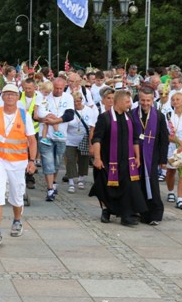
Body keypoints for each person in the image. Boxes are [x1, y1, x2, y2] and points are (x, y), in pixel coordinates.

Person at [0, 83, 37, 247]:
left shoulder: (24, 115)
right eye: (7, 94)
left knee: (17, 195)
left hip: (18, 161)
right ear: (2, 97)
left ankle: (17, 220)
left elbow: (32, 140)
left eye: (13, 94)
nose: (10, 97)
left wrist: (32, 161)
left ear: (18, 97)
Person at [89, 90, 147, 226]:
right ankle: (107, 210)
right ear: (119, 101)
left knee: (128, 187)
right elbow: (97, 139)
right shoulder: (105, 118)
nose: (130, 104)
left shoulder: (130, 117)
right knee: (108, 188)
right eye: (127, 101)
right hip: (109, 160)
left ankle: (126, 216)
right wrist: (97, 158)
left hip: (127, 161)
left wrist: (137, 157)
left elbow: (134, 139)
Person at [132, 86, 169, 224]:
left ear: (153, 100)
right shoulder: (132, 114)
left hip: (152, 155)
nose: (145, 103)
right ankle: (142, 212)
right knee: (138, 183)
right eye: (143, 100)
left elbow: (164, 138)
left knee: (152, 183)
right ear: (139, 99)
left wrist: (163, 159)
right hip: (136, 155)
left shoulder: (159, 116)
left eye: (148, 100)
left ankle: (155, 213)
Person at [38, 76, 74, 201]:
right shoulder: (45, 96)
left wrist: (56, 120)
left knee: (57, 163)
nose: (58, 90)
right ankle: (50, 189)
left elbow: (70, 115)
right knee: (48, 162)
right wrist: (46, 118)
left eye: (60, 88)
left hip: (61, 136)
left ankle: (53, 182)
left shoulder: (68, 97)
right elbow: (35, 114)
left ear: (64, 87)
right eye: (56, 88)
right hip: (46, 135)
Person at [65, 91, 96, 192]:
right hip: (70, 139)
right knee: (70, 160)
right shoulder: (69, 110)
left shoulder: (88, 111)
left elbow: (92, 127)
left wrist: (91, 143)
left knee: (83, 159)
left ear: (81, 100)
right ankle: (71, 181)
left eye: (78, 101)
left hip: (84, 138)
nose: (76, 103)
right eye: (74, 102)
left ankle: (81, 178)